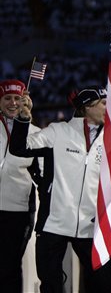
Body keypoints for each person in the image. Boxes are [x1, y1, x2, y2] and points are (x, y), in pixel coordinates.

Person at [9, 86, 111, 293]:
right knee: (51, 285)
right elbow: (19, 148)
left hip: (90, 225)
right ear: (87, 107)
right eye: (104, 104)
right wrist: (23, 118)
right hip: (53, 223)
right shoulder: (58, 131)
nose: (108, 109)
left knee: (104, 285)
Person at [0, 79, 40, 293]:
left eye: (17, 98)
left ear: (26, 100)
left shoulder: (35, 132)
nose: (12, 103)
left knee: (9, 266)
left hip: (18, 209)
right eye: (7, 98)